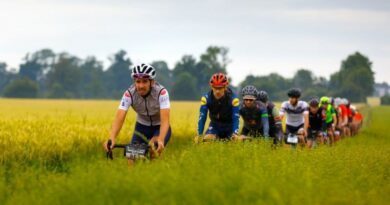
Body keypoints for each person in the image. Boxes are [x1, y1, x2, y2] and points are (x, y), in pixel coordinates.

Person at [104, 63, 172, 164]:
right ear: (134, 82)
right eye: (138, 81)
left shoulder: (161, 93)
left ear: (152, 82)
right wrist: (112, 138)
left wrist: (161, 140)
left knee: (152, 150)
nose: (141, 86)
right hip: (141, 127)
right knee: (131, 157)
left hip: (159, 127)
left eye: (145, 81)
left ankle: (155, 175)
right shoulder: (129, 94)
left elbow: (165, 121)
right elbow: (120, 116)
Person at [196, 73, 240, 142]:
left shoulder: (233, 99)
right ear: (211, 86)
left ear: (225, 86)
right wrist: (199, 134)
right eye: (215, 88)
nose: (217, 91)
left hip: (229, 126)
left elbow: (236, 118)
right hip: (214, 126)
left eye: (220, 88)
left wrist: (235, 133)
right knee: (207, 140)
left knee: (235, 140)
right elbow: (202, 117)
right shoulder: (206, 99)